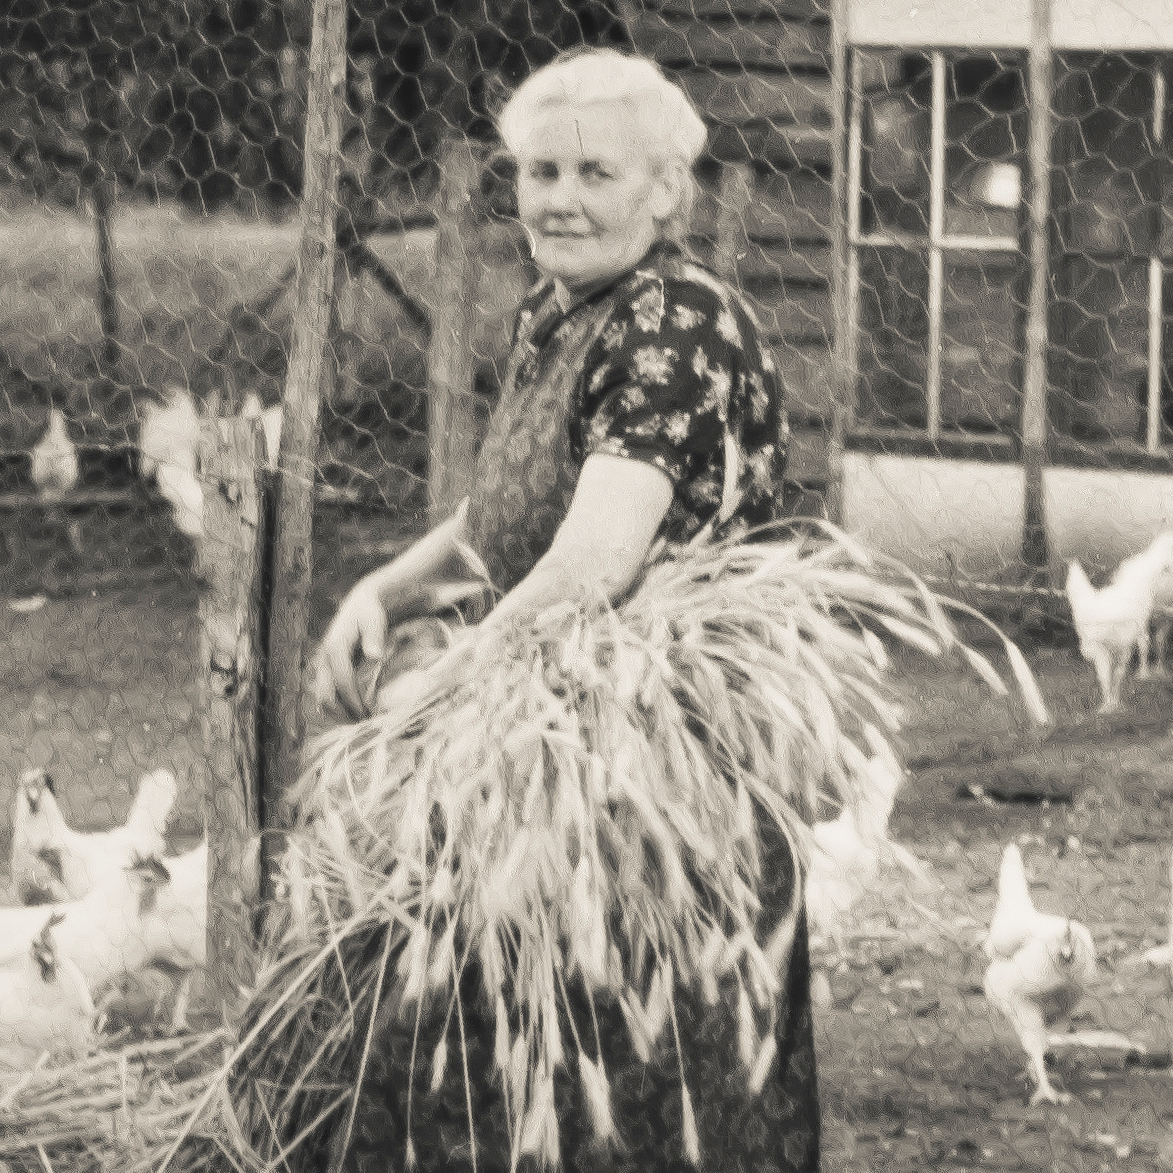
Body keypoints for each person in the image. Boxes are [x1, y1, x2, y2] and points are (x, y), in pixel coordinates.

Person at [307, 48, 812, 1169]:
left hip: (647, 783)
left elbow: (591, 562)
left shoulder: (676, 325)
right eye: (540, 170)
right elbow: (507, 513)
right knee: (481, 1061)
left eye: (594, 171)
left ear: (663, 189)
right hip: (541, 732)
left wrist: (449, 679)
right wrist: (386, 588)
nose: (560, 198)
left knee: (632, 1082)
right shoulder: (564, 306)